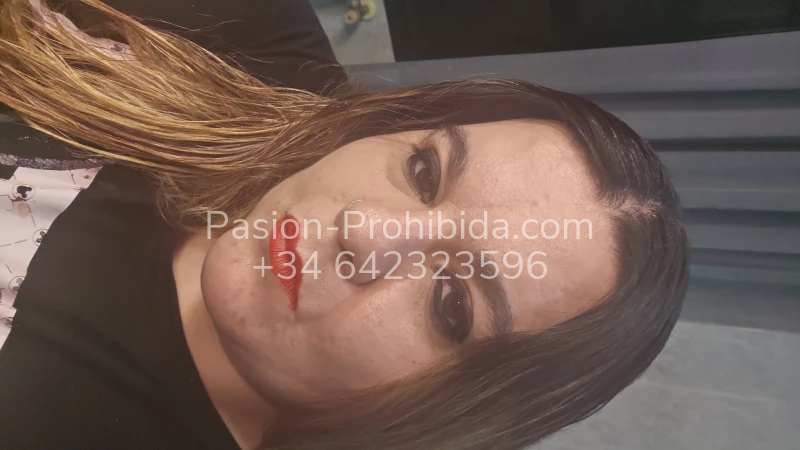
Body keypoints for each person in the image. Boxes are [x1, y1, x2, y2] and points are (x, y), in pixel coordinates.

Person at [0, 0, 690, 449]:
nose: (365, 230)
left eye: (451, 301)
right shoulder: (253, 46)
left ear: (457, 408)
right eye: (423, 170)